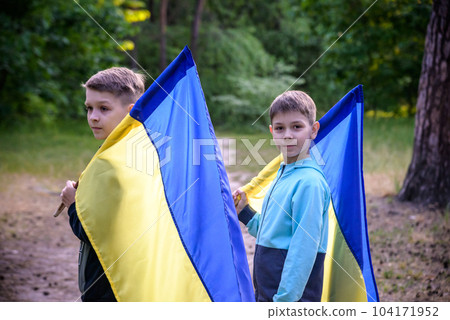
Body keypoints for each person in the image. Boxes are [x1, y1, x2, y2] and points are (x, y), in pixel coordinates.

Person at [233, 91, 330, 302]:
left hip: (291, 298)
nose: (287, 135)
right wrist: (246, 213)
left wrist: (285, 301)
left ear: (313, 130)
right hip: (270, 290)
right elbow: (274, 231)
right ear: (272, 132)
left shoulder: (309, 182)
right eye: (280, 128)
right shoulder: (283, 175)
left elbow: (304, 247)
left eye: (297, 127)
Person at [60, 67, 145, 302]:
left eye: (103, 108)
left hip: (111, 285)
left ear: (131, 112)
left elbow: (93, 232)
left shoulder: (116, 162)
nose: (93, 116)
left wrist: (72, 204)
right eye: (89, 108)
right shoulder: (138, 152)